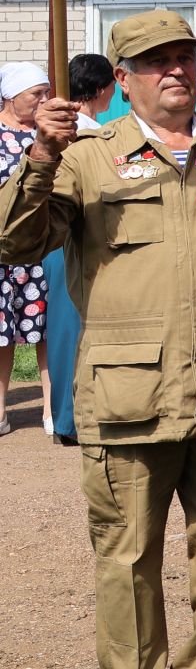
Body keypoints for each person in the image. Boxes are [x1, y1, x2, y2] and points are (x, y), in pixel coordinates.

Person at [0, 11, 196, 668]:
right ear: (122, 78)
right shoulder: (85, 158)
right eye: (156, 60)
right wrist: (41, 154)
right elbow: (14, 240)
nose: (175, 68)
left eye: (184, 55)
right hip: (129, 400)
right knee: (126, 562)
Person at [41, 52, 112, 447]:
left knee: (64, 328)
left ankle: (66, 417)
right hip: (74, 233)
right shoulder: (84, 131)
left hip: (56, 236)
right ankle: (71, 419)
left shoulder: (68, 125)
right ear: (103, 88)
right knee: (74, 327)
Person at [0, 61, 52, 435]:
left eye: (46, 92)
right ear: (11, 97)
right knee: (1, 333)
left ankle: (51, 409)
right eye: (36, 94)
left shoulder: (47, 135)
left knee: (47, 330)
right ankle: (0, 409)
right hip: (3, 252)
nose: (43, 100)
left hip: (43, 249)